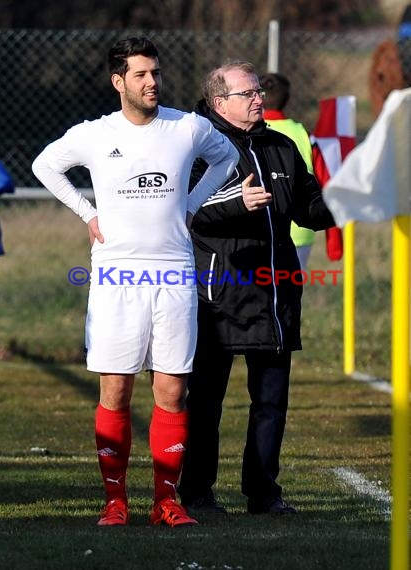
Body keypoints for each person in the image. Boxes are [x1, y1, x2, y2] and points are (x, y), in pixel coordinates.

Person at [32, 36, 238, 528]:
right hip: (116, 275)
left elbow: (227, 158)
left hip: (173, 272)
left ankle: (167, 502)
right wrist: (87, 212)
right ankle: (114, 502)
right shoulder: (95, 134)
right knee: (116, 389)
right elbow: (45, 165)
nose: (152, 82)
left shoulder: (187, 127)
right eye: (141, 75)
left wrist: (191, 204)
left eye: (156, 73)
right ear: (118, 81)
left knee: (171, 390)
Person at [178, 61, 335, 515]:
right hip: (218, 296)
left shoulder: (281, 146)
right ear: (218, 102)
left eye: (258, 92)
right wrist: (235, 204)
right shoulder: (195, 147)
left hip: (275, 292)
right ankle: (198, 493)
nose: (258, 99)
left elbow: (309, 208)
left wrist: (348, 200)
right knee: (206, 402)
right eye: (247, 94)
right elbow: (184, 210)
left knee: (271, 401)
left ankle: (264, 492)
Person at [259, 72, 315, 271]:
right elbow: (324, 182)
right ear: (287, 98)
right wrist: (335, 237)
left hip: (262, 229)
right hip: (300, 231)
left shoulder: (249, 132)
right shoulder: (303, 134)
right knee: (291, 295)